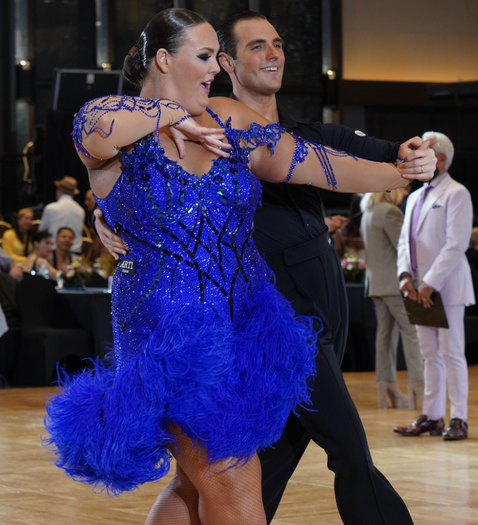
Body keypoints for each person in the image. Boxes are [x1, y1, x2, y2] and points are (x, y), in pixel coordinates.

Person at [44, 9, 434, 525]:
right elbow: (94, 131)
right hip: (174, 344)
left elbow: (317, 163)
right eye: (203, 57)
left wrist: (400, 169)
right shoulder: (112, 121)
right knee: (236, 490)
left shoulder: (228, 117)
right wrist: (171, 114)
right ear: (163, 59)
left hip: (244, 333)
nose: (213, 69)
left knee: (194, 484)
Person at [395, 131, 474, 441]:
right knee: (429, 354)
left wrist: (429, 283)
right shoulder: (415, 196)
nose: (416, 157)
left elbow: (457, 245)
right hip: (416, 287)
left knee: (452, 352)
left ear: (439, 159)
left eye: (424, 152)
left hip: (447, 286)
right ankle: (432, 415)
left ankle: (459, 418)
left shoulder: (457, 193)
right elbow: (404, 241)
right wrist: (404, 276)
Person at [360, 191, 424, 409]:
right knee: (412, 332)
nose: (405, 192)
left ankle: (387, 389)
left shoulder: (368, 211)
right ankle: (419, 387)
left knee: (385, 335)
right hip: (394, 284)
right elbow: (404, 249)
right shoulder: (389, 211)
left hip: (376, 283)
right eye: (402, 188)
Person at [39, 176, 85, 254]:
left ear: (59, 190)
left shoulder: (50, 208)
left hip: (55, 253)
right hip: (75, 253)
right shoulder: (81, 211)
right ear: (73, 194)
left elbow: (42, 231)